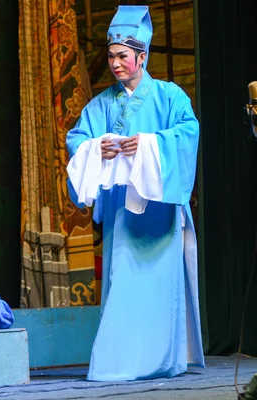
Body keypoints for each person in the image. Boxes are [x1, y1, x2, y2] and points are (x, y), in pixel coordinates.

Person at [66, 6, 205, 381]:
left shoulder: (168, 96)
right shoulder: (101, 105)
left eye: (122, 56)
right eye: (110, 56)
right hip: (121, 215)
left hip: (158, 212)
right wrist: (98, 148)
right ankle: (118, 362)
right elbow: (77, 140)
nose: (115, 64)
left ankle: (163, 359)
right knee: (122, 283)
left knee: (160, 288)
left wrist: (147, 145)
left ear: (142, 57)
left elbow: (187, 134)